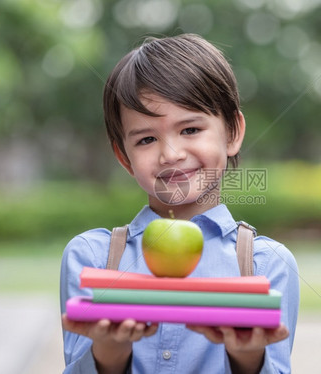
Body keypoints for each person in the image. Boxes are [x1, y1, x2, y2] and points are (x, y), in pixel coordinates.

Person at [60, 33, 300, 374]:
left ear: (232, 132)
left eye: (190, 130)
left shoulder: (266, 265)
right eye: (146, 139)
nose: (171, 154)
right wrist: (109, 353)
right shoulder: (93, 259)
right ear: (124, 157)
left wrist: (247, 357)